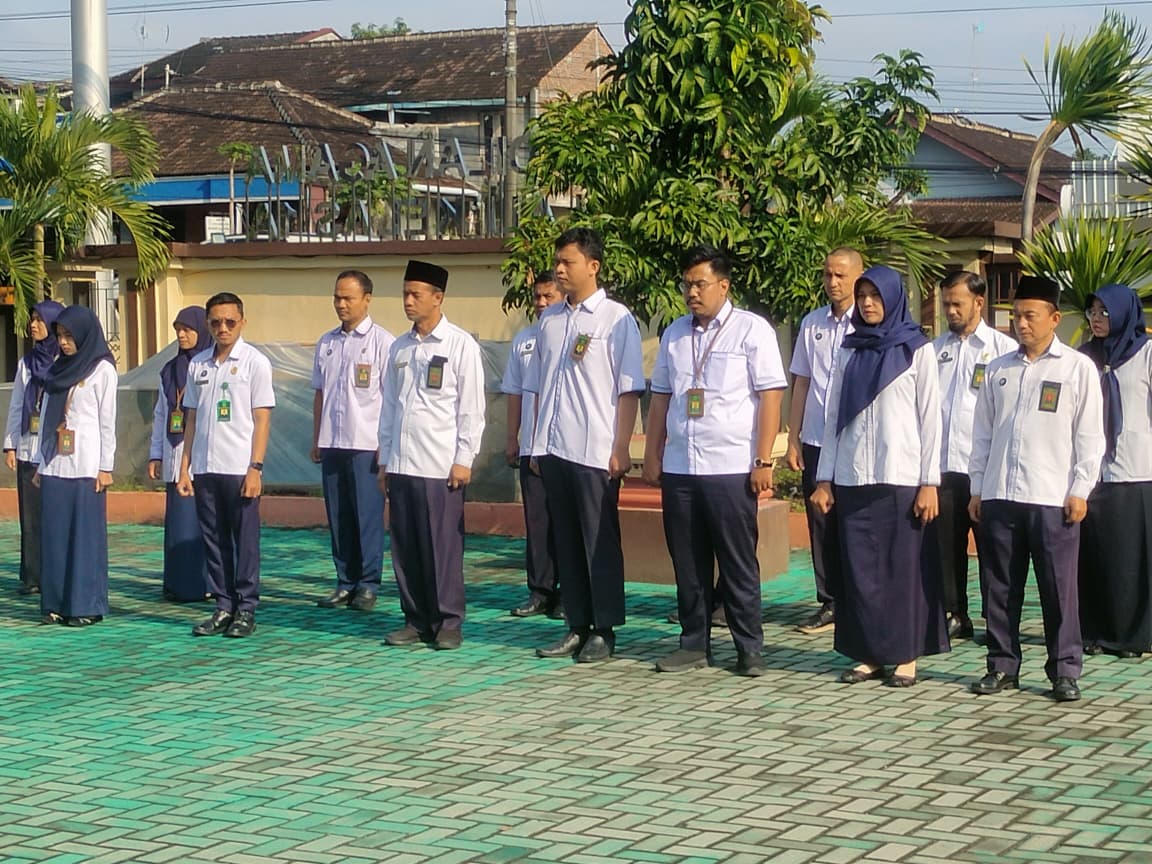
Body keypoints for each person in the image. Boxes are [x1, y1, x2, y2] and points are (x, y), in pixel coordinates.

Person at [643, 245, 787, 676]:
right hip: (681, 466)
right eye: (687, 285)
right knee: (688, 562)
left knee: (737, 561)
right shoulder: (674, 334)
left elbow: (770, 396)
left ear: (724, 286)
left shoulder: (751, 330)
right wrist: (652, 453)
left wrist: (763, 460)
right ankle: (693, 643)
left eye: (700, 284)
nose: (692, 292)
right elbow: (661, 398)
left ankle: (749, 647)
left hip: (731, 466)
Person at [968, 275, 1104, 703]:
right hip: (1001, 496)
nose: (1021, 324)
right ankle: (1001, 664)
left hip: (1052, 498)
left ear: (1054, 318)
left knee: (1058, 589)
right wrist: (977, 487)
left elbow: (1090, 436)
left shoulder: (1076, 368)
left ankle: (1064, 670)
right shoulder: (998, 369)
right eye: (1016, 316)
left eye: (1030, 316)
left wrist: (1080, 488)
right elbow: (982, 434)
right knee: (999, 587)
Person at [810, 265, 946, 687]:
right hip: (853, 477)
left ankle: (905, 654)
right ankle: (868, 653)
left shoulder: (916, 350)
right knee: (861, 572)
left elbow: (931, 420)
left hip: (901, 477)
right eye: (862, 296)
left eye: (875, 296)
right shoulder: (848, 350)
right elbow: (834, 417)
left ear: (893, 299)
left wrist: (929, 482)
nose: (868, 304)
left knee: (901, 570)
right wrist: (825, 478)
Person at [528, 227, 645, 664]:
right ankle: (576, 624)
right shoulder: (550, 321)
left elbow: (629, 388)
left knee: (598, 543)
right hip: (554, 448)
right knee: (567, 541)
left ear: (593, 266)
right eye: (557, 262)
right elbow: (541, 387)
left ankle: (603, 629)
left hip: (595, 450)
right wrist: (537, 445)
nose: (559, 269)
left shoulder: (616, 319)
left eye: (568, 262)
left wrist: (621, 447)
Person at [378, 260, 486, 650]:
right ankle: (415, 619)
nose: (408, 301)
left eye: (415, 294)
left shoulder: (459, 344)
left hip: (441, 465)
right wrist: (384, 459)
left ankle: (448, 621)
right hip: (402, 463)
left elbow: (471, 408)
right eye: (405, 294)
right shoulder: (399, 347)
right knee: (406, 547)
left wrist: (464, 458)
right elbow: (389, 407)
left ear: (438, 298)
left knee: (443, 548)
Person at [177, 292, 275, 639]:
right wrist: (184, 466)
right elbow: (191, 418)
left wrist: (255, 467)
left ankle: (246, 608)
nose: (223, 328)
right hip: (206, 467)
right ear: (208, 324)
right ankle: (223, 605)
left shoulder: (254, 362)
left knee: (244, 541)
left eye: (230, 321)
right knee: (214, 540)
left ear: (242, 322)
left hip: (239, 467)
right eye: (216, 322)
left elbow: (262, 419)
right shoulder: (198, 364)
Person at [933, 272, 1017, 640]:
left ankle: (996, 618)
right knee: (946, 547)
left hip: (986, 467)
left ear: (978, 303)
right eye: (946, 304)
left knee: (992, 548)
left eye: (958, 304)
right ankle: (955, 613)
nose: (950, 311)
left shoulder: (1003, 350)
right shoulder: (934, 350)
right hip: (945, 465)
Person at [786, 248, 863, 635]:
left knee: (854, 520)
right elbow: (801, 382)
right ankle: (829, 601)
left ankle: (857, 600)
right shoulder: (812, 323)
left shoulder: (867, 324)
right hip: (815, 438)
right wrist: (793, 437)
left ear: (858, 277)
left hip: (854, 442)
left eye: (841, 276)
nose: (833, 282)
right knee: (820, 522)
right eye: (828, 275)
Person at [311, 270, 394, 612]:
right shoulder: (326, 343)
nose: (341, 304)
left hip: (366, 444)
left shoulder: (383, 342)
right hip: (333, 442)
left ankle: (368, 584)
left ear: (367, 299)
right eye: (337, 297)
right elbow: (319, 393)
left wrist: (385, 444)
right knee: (339, 516)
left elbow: (391, 398)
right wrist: (317, 437)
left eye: (348, 298)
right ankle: (345, 581)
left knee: (367, 517)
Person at [1078, 284, 1152, 659]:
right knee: (1094, 557)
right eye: (1092, 312)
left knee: (1131, 561)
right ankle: (1094, 630)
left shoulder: (1147, 353)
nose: (1097, 319)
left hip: (1136, 470)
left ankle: (1132, 637)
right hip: (1092, 473)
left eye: (1104, 312)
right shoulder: (1083, 358)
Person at [32, 305, 117, 627]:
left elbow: (107, 421)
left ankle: (85, 605)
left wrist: (105, 467)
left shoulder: (102, 370)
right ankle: (54, 603)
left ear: (84, 334)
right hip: (55, 464)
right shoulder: (57, 367)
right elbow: (46, 418)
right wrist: (40, 462)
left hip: (86, 466)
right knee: (54, 536)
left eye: (70, 336)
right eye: (60, 336)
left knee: (84, 538)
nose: (64, 342)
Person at [502, 270, 564, 618]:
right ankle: (540, 590)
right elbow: (514, 392)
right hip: (531, 447)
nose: (541, 303)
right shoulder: (524, 340)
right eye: (537, 297)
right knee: (537, 522)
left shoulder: (570, 337)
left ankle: (569, 593)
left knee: (565, 523)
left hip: (563, 448)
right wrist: (512, 437)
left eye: (548, 296)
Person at [148, 306, 212, 603]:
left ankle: (205, 584)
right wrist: (155, 454)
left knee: (201, 524)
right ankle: (177, 584)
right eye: (178, 330)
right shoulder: (169, 370)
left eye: (187, 329)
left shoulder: (209, 367)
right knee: (177, 523)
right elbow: (161, 414)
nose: (182, 335)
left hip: (201, 458)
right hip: (174, 456)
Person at [3, 299, 65, 596]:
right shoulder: (26, 363)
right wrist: (11, 445)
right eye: (32, 319)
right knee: (30, 517)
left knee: (54, 514)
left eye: (40, 320)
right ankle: (33, 576)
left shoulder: (65, 361)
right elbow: (17, 405)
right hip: (29, 448)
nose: (33, 325)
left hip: (55, 451)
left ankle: (56, 574)